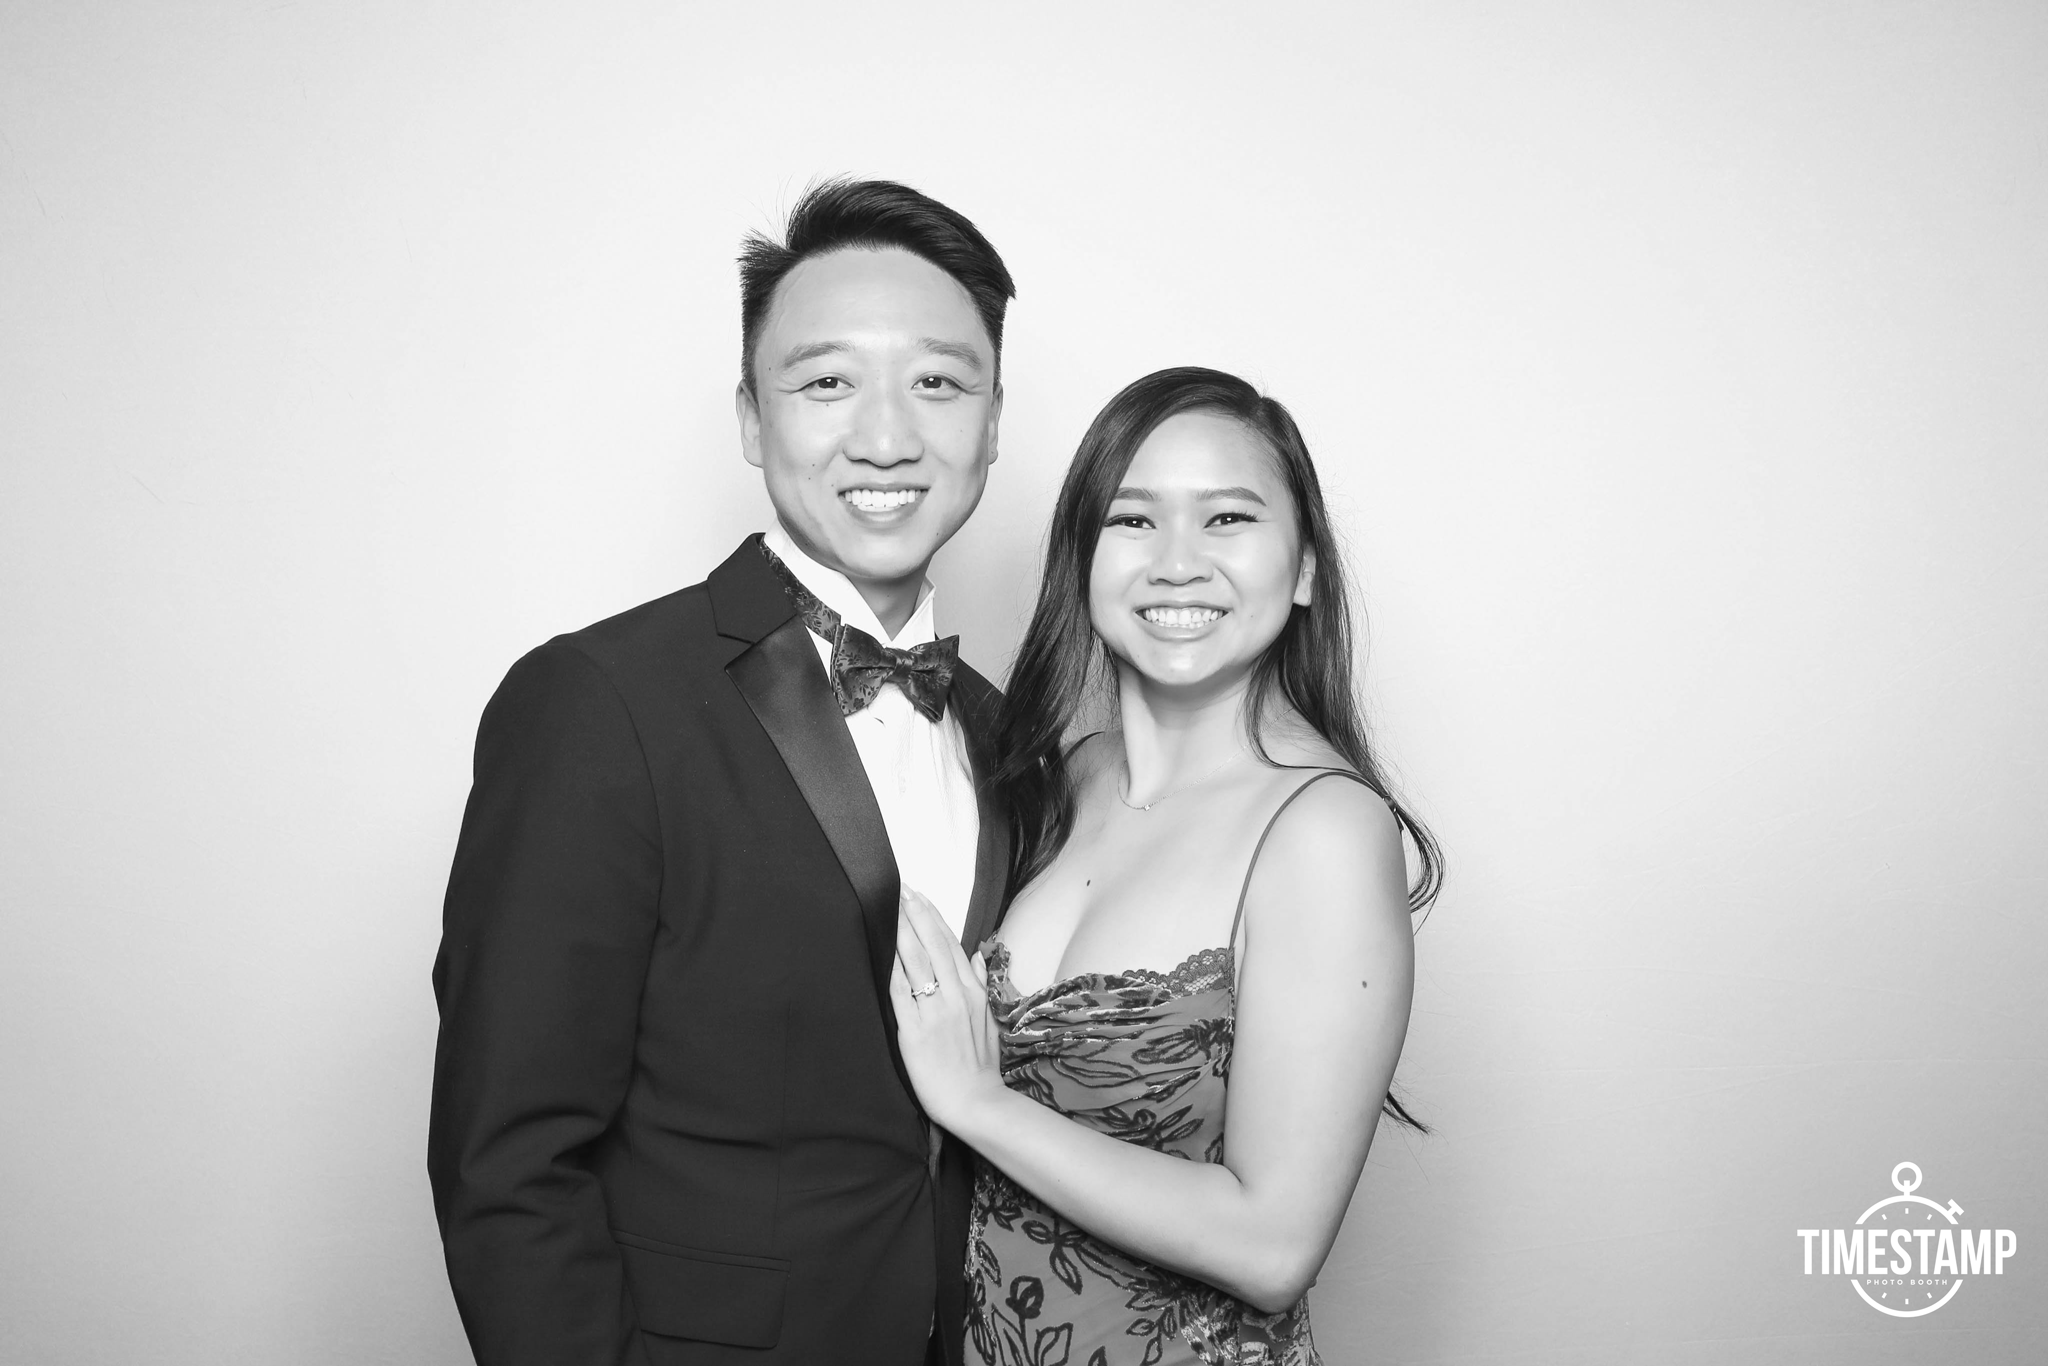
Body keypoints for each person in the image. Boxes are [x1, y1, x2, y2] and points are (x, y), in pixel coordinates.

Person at [428, 179, 1017, 1366]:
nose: (887, 435)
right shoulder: (597, 701)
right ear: (751, 419)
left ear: (994, 422)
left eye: (938, 382)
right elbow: (508, 1160)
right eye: (826, 381)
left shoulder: (1010, 736)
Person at [888, 367, 1443, 1366]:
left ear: (1304, 566)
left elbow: (1272, 1242)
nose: (1176, 563)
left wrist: (975, 1102)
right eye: (1133, 522)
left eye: (1227, 518)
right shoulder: (1054, 781)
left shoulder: (1319, 828)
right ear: (1083, 559)